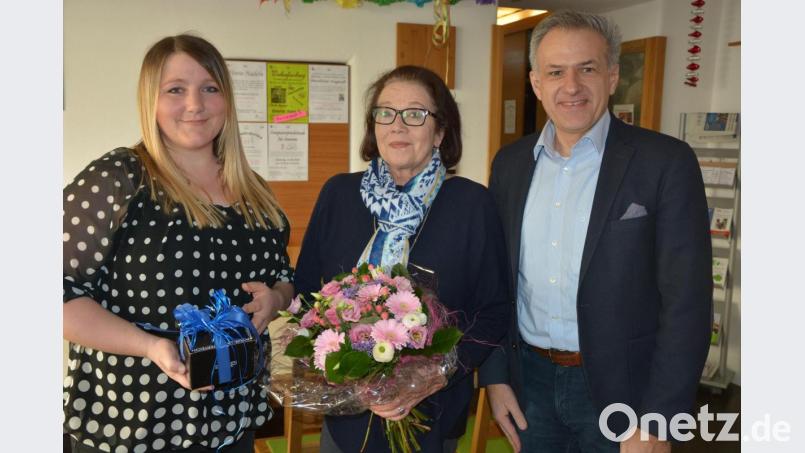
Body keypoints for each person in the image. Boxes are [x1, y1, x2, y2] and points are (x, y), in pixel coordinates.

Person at [478, 10, 713, 453]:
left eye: (587, 68)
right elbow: (496, 284)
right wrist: (496, 379)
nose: (571, 86)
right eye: (555, 72)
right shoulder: (509, 165)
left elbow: (688, 304)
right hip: (531, 385)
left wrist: (660, 421)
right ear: (535, 83)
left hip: (626, 394)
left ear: (611, 76)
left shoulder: (665, 162)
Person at [63, 34, 294, 452]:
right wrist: (151, 346)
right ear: (150, 99)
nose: (195, 104)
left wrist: (275, 299)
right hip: (132, 425)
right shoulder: (121, 177)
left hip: (232, 420)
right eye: (176, 90)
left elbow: (281, 275)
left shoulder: (253, 189)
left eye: (210, 88)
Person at [293, 65, 511, 453]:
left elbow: (494, 310)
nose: (398, 125)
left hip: (434, 415)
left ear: (441, 131)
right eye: (385, 112)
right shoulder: (339, 194)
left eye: (415, 114)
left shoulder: (471, 203)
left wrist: (437, 372)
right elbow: (306, 294)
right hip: (346, 418)